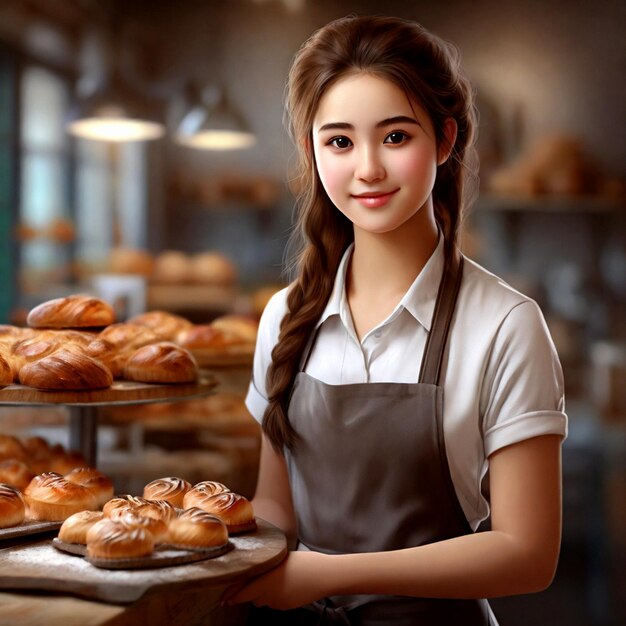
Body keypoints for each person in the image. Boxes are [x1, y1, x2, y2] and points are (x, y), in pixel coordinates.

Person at [222, 14, 567, 626]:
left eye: (395, 137)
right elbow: (276, 503)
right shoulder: (283, 317)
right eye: (339, 141)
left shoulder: (506, 325)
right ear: (312, 151)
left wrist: (330, 573)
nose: (368, 170)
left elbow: (528, 554)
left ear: (445, 139)